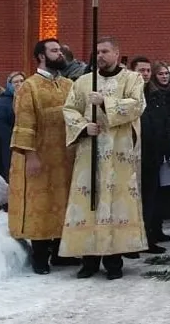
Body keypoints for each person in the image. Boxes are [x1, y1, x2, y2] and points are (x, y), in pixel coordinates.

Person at [60, 36, 148, 280]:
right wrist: (83, 127)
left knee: (115, 203)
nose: (100, 56)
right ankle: (88, 260)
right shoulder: (84, 81)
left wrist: (106, 102)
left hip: (119, 153)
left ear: (116, 53)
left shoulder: (132, 78)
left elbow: (137, 104)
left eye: (105, 51)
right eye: (97, 52)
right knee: (91, 203)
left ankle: (113, 261)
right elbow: (69, 109)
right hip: (90, 151)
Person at [8, 39, 76, 274]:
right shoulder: (30, 86)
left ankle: (59, 253)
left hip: (65, 156)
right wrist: (30, 155)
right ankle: (39, 257)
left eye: (60, 50)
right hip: (39, 155)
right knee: (41, 203)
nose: (60, 54)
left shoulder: (68, 84)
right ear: (41, 56)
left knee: (62, 201)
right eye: (54, 50)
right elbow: (25, 123)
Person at [139, 60, 170, 254]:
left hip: (156, 151)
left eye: (148, 71)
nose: (146, 74)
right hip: (140, 152)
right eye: (142, 71)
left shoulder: (157, 95)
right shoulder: (139, 93)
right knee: (144, 199)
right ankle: (145, 237)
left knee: (154, 196)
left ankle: (153, 231)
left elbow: (164, 122)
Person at [0, 71, 26, 179]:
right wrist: (12, 136)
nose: (19, 84)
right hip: (11, 143)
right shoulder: (4, 101)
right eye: (15, 82)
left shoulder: (29, 98)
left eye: (22, 81)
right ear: (9, 84)